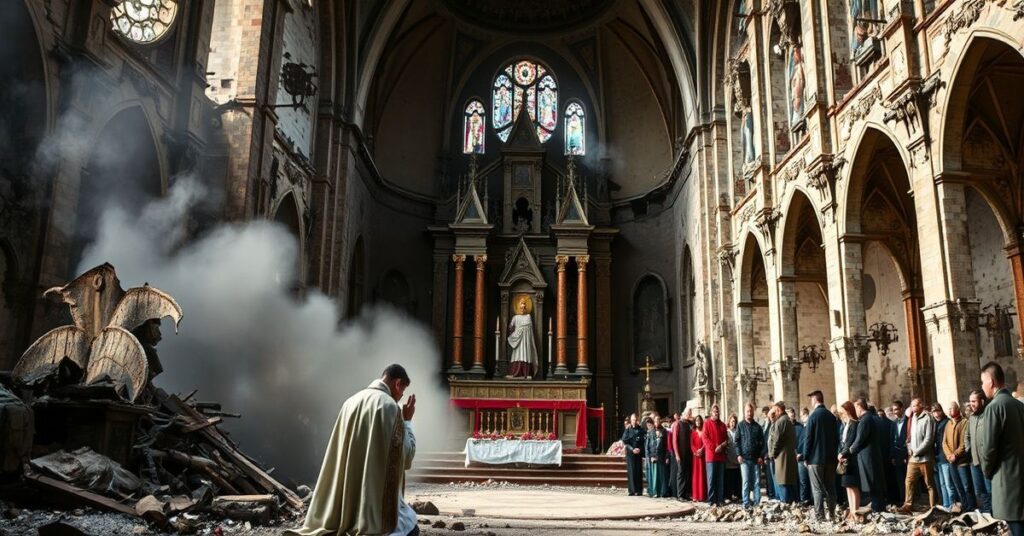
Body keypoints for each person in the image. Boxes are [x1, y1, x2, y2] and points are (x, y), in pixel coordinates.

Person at [285, 365, 418, 536]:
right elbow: (406, 456)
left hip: (343, 507)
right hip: (374, 512)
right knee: (411, 528)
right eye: (403, 391)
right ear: (398, 383)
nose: (401, 397)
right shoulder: (390, 408)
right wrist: (407, 421)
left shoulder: (350, 402)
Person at [979, 362, 1024, 536]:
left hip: (1006, 478)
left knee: (1015, 526)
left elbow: (989, 449)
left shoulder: (994, 407)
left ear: (990, 381)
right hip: (1021, 475)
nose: (982, 387)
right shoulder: (1019, 405)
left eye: (983, 382)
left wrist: (986, 471)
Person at [803, 390, 839, 522]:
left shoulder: (813, 416)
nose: (811, 402)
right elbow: (836, 438)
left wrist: (806, 457)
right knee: (830, 487)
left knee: (817, 489)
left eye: (811, 399)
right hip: (830, 458)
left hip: (815, 459)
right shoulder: (831, 416)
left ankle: (820, 516)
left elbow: (808, 439)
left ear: (815, 400)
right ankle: (832, 514)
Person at [849, 398, 887, 514]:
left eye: (855, 407)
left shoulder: (865, 420)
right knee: (875, 483)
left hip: (868, 457)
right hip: (872, 455)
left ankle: (877, 509)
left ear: (860, 407)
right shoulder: (871, 418)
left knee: (873, 483)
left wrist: (850, 450)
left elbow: (860, 439)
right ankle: (878, 507)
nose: (855, 410)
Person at [899, 398, 937, 513]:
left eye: (915, 406)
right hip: (913, 458)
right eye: (912, 406)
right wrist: (910, 449)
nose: (913, 408)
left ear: (921, 405)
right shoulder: (913, 418)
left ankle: (932, 507)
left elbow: (929, 439)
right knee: (908, 481)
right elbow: (910, 436)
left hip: (925, 458)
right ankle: (908, 505)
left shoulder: (928, 417)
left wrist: (917, 451)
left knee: (929, 484)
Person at [943, 400, 975, 512]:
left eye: (952, 408)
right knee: (958, 486)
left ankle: (972, 506)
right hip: (951, 461)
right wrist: (948, 455)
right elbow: (944, 442)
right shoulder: (948, 424)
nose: (950, 410)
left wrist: (955, 455)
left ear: (957, 409)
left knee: (967, 486)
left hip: (962, 461)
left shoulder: (964, 422)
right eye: (949, 408)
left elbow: (963, 443)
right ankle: (965, 506)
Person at [966, 390, 993, 513]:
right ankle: (987, 513)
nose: (971, 404)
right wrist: (969, 450)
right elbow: (967, 436)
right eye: (970, 401)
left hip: (987, 461)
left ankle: (996, 514)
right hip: (974, 461)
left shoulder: (988, 415)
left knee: (990, 489)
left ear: (982, 401)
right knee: (979, 490)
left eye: (974, 401)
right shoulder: (971, 417)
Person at [734, 403, 765, 509]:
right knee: (746, 482)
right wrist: (738, 454)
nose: (749, 413)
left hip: (756, 459)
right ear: (744, 412)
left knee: (756, 482)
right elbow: (736, 441)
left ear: (753, 412)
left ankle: (757, 503)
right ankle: (746, 503)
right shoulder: (740, 425)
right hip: (744, 459)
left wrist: (761, 456)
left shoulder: (758, 427)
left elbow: (762, 442)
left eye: (751, 411)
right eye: (747, 411)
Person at [836, 401, 862, 521]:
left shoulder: (854, 424)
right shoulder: (846, 424)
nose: (841, 414)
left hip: (851, 458)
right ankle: (851, 511)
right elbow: (842, 441)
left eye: (842, 412)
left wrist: (843, 453)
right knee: (847, 486)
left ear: (848, 411)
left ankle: (855, 510)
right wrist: (839, 453)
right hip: (844, 458)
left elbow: (850, 441)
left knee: (853, 486)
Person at [768, 402, 798, 504]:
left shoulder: (780, 422)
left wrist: (772, 454)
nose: (774, 413)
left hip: (782, 457)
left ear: (778, 410)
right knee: (788, 483)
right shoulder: (788, 420)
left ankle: (786, 504)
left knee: (782, 482)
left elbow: (776, 440)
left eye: (775, 411)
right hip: (788, 456)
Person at [703, 404, 729, 505]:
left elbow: (726, 439)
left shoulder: (722, 425)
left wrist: (722, 446)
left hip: (721, 456)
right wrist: (714, 448)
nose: (716, 413)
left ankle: (720, 499)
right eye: (714, 411)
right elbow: (705, 438)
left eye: (717, 411)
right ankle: (711, 500)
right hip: (711, 456)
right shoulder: (707, 423)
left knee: (720, 479)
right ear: (711, 412)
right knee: (711, 479)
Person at [931, 404, 956, 509]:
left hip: (945, 456)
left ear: (941, 411)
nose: (936, 414)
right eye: (934, 412)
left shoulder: (947, 422)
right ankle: (946, 504)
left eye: (937, 411)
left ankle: (952, 504)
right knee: (941, 483)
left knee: (948, 483)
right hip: (937, 456)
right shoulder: (935, 424)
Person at [507, 297, 539, 378]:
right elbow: (510, 327)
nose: (523, 306)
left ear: (526, 307)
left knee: (525, 354)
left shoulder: (528, 316)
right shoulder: (515, 317)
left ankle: (526, 373)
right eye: (521, 304)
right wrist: (512, 330)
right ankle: (515, 372)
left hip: (526, 341)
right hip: (517, 341)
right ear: (518, 306)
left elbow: (530, 331)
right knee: (517, 354)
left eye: (524, 304)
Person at [890, 400, 909, 507]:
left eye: (896, 409)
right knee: (900, 479)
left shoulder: (909, 421)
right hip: (896, 454)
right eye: (893, 410)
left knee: (908, 479)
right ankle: (903, 499)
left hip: (906, 453)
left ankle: (910, 499)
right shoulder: (893, 423)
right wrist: (892, 455)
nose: (895, 412)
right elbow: (891, 440)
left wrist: (907, 455)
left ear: (902, 409)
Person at [791, 407, 811, 505]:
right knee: (802, 480)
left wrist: (801, 455)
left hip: (803, 457)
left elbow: (806, 444)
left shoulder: (805, 428)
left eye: (802, 415)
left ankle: (805, 500)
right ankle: (804, 498)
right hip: (799, 456)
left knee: (804, 480)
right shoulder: (803, 427)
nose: (801, 417)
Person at [622, 413, 645, 496]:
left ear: (637, 420)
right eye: (632, 420)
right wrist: (632, 449)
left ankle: (639, 490)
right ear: (630, 421)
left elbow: (644, 442)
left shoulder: (641, 430)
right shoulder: (628, 430)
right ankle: (631, 490)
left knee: (638, 472)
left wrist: (640, 449)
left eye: (635, 420)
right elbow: (625, 441)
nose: (634, 422)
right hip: (630, 454)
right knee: (631, 472)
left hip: (638, 454)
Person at [673, 408, 693, 500]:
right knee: (681, 474)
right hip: (680, 454)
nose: (689, 415)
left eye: (690, 413)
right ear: (683, 413)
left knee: (687, 474)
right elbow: (674, 441)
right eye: (688, 413)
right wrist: (677, 454)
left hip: (688, 453)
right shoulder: (678, 424)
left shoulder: (688, 424)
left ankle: (685, 494)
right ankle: (680, 495)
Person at [645, 417, 667, 498]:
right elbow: (648, 446)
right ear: (654, 422)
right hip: (653, 457)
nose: (657, 422)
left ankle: (662, 492)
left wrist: (666, 456)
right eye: (655, 420)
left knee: (661, 475)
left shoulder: (664, 431)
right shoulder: (651, 432)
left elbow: (666, 445)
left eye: (658, 420)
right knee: (654, 476)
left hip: (661, 456)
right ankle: (654, 492)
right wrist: (651, 456)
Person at [725, 413, 742, 502]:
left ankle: (738, 495)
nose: (733, 423)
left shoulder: (738, 432)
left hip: (737, 460)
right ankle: (728, 496)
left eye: (734, 421)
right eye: (731, 421)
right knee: (729, 479)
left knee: (737, 479)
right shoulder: (726, 432)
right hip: (728, 460)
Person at [691, 415, 708, 502]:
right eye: (696, 420)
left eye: (699, 420)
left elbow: (706, 442)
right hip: (696, 457)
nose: (698, 422)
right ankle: (696, 496)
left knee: (703, 475)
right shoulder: (693, 432)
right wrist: (695, 451)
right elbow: (692, 444)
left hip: (703, 456)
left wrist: (702, 450)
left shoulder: (704, 431)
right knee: (696, 475)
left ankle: (703, 496)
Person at [761, 406, 776, 500]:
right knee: (767, 475)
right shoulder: (763, 425)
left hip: (770, 454)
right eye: (764, 415)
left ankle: (772, 494)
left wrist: (767, 453)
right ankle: (769, 492)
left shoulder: (772, 425)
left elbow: (769, 440)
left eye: (767, 414)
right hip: (764, 454)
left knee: (771, 475)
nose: (766, 416)